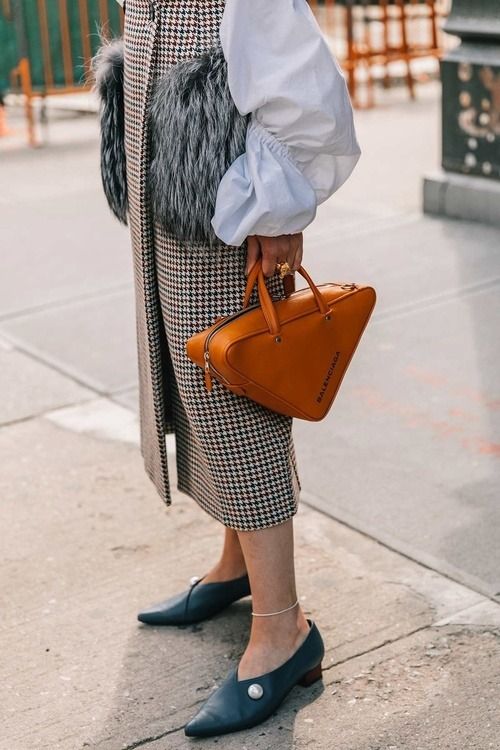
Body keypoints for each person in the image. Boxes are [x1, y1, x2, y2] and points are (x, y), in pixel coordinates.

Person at [109, 0, 360, 737]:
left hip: (231, 216)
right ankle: (239, 563)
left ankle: (284, 630)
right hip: (172, 202)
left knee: (236, 402)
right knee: (192, 386)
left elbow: (304, 91)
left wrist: (279, 214)